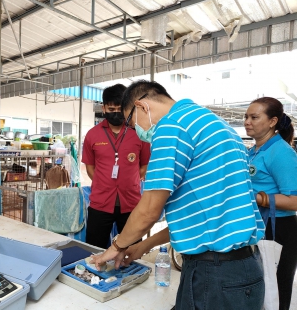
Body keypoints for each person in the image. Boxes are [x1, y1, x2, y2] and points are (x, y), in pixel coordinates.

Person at [92, 80, 265, 310]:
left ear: (142, 106)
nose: (139, 133)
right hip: (244, 269)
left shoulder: (171, 127)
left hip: (215, 275)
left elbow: (149, 210)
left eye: (134, 124)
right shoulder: (216, 125)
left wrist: (117, 246)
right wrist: (143, 246)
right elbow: (198, 215)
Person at [82, 84, 150, 249]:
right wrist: (104, 181)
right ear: (104, 108)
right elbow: (90, 167)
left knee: (132, 250)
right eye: (111, 109)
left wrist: (130, 180)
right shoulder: (93, 135)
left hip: (131, 203)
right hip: (100, 202)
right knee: (94, 249)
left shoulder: (138, 133)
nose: (116, 113)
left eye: (120, 109)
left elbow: (144, 165)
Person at [245, 97, 297, 310]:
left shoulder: (281, 153)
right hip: (261, 225)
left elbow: (294, 201)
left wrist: (254, 197)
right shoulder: (254, 151)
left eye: (254, 117)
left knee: (277, 290)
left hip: (280, 230)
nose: (247, 121)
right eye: (246, 116)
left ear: (272, 121)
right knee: (260, 288)